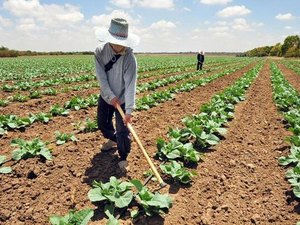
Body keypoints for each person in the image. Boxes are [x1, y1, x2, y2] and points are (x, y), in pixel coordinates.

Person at [94, 18, 140, 172]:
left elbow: (130, 85)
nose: (118, 45)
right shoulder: (100, 52)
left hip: (122, 98)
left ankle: (123, 156)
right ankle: (115, 140)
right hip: (106, 96)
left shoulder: (129, 59)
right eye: (115, 41)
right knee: (102, 124)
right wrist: (110, 96)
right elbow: (101, 77)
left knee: (123, 129)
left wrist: (128, 111)